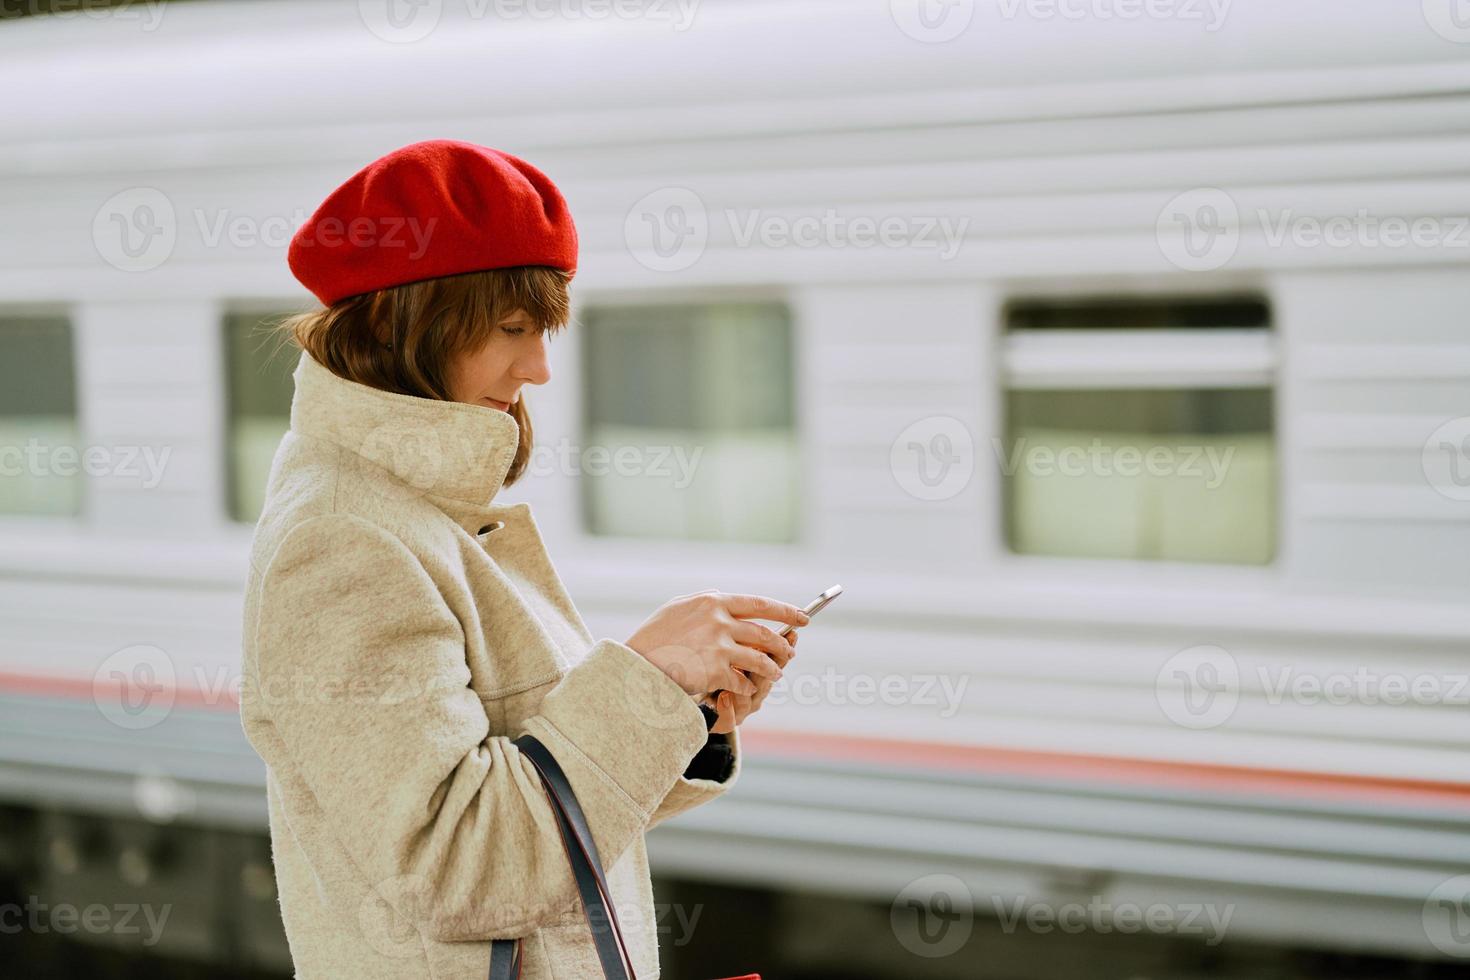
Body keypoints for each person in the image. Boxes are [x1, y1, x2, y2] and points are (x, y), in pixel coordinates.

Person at [238, 138, 809, 979]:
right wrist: (646, 676)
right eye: (513, 328)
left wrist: (688, 717)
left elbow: (541, 801)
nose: (539, 367)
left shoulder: (420, 511)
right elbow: (462, 864)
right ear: (411, 319)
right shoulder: (341, 542)